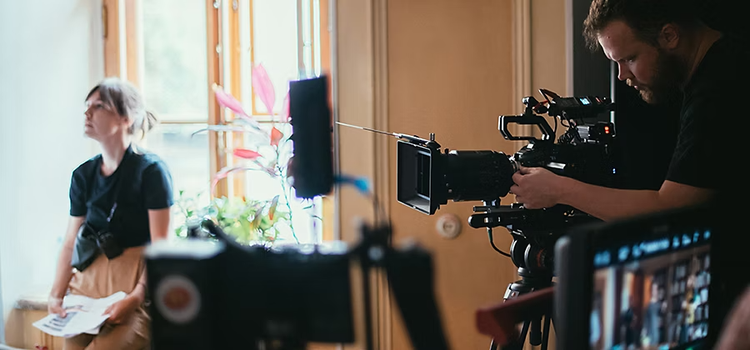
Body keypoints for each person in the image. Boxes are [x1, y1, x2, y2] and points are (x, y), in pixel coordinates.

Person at [509, 0, 749, 344]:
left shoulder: (721, 87)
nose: (622, 76)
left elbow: (674, 208)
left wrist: (559, 189)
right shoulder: (726, 62)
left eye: (629, 59)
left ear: (668, 36)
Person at [47, 77, 174, 350]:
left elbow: (162, 246)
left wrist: (137, 296)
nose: (87, 113)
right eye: (87, 105)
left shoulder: (151, 172)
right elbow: (71, 239)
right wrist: (56, 294)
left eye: (99, 106)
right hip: (86, 288)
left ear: (126, 118)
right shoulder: (83, 175)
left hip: (135, 287)